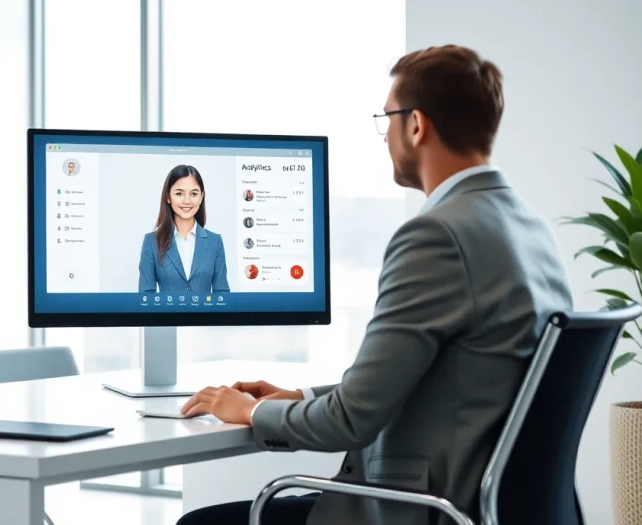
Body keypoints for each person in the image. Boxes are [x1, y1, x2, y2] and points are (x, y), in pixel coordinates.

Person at [176, 45, 573, 525]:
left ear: (416, 125)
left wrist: (250, 412)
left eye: (387, 119)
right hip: (493, 505)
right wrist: (300, 396)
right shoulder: (532, 228)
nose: (385, 136)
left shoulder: (437, 235)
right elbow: (431, 380)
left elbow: (352, 421)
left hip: (418, 509)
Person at [139, 165, 230, 293]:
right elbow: (146, 296)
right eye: (179, 193)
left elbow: (222, 294)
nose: (187, 201)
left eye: (193, 193)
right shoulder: (151, 241)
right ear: (168, 197)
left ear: (201, 196)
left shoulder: (215, 241)